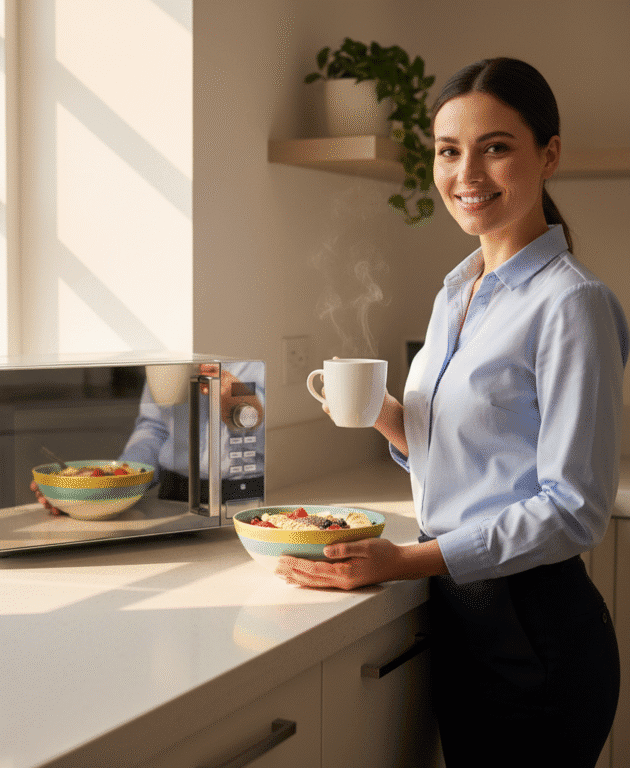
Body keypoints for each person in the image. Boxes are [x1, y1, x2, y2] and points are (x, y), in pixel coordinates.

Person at [276, 57, 626, 767]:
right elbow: (471, 453)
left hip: (536, 635)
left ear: (547, 155)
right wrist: (383, 415)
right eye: (448, 151)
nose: (467, 174)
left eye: (495, 147)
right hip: (464, 617)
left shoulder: (572, 304)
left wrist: (404, 560)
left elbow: (572, 509)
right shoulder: (457, 292)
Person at [31, 361, 265, 512]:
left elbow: (286, 441)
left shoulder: (262, 353)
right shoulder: (168, 353)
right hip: (174, 495)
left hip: (249, 496)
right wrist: (107, 485)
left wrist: (245, 411)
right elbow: (155, 428)